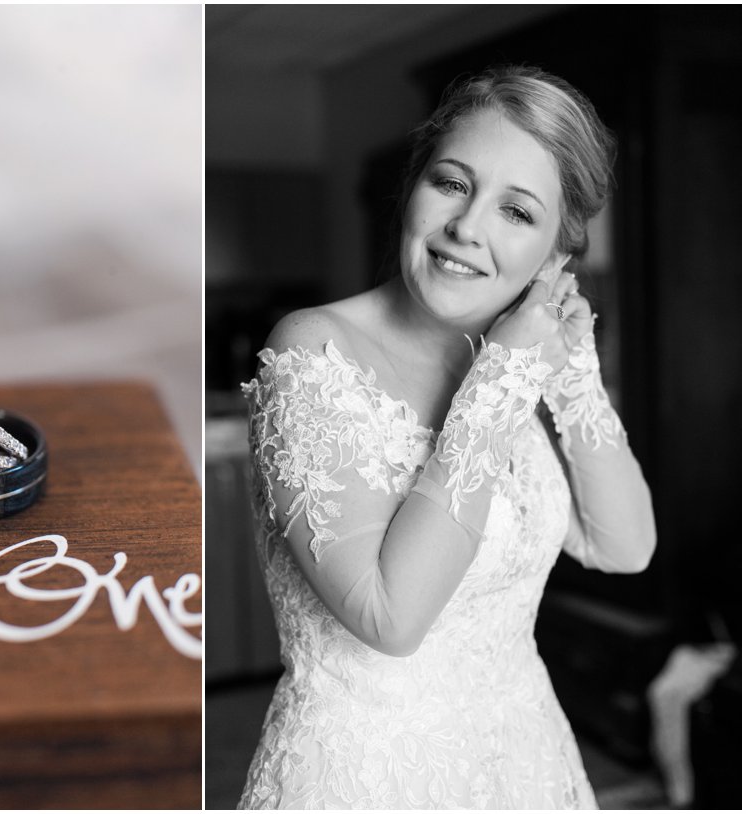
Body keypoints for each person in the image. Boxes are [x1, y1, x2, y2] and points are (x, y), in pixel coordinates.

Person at [239, 65, 656, 809]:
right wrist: (502, 380)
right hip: (368, 777)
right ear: (414, 185)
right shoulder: (311, 351)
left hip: (522, 759)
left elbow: (623, 548)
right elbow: (388, 616)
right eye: (453, 183)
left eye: (518, 213)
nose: (468, 228)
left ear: (557, 258)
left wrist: (570, 372)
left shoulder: (503, 356)